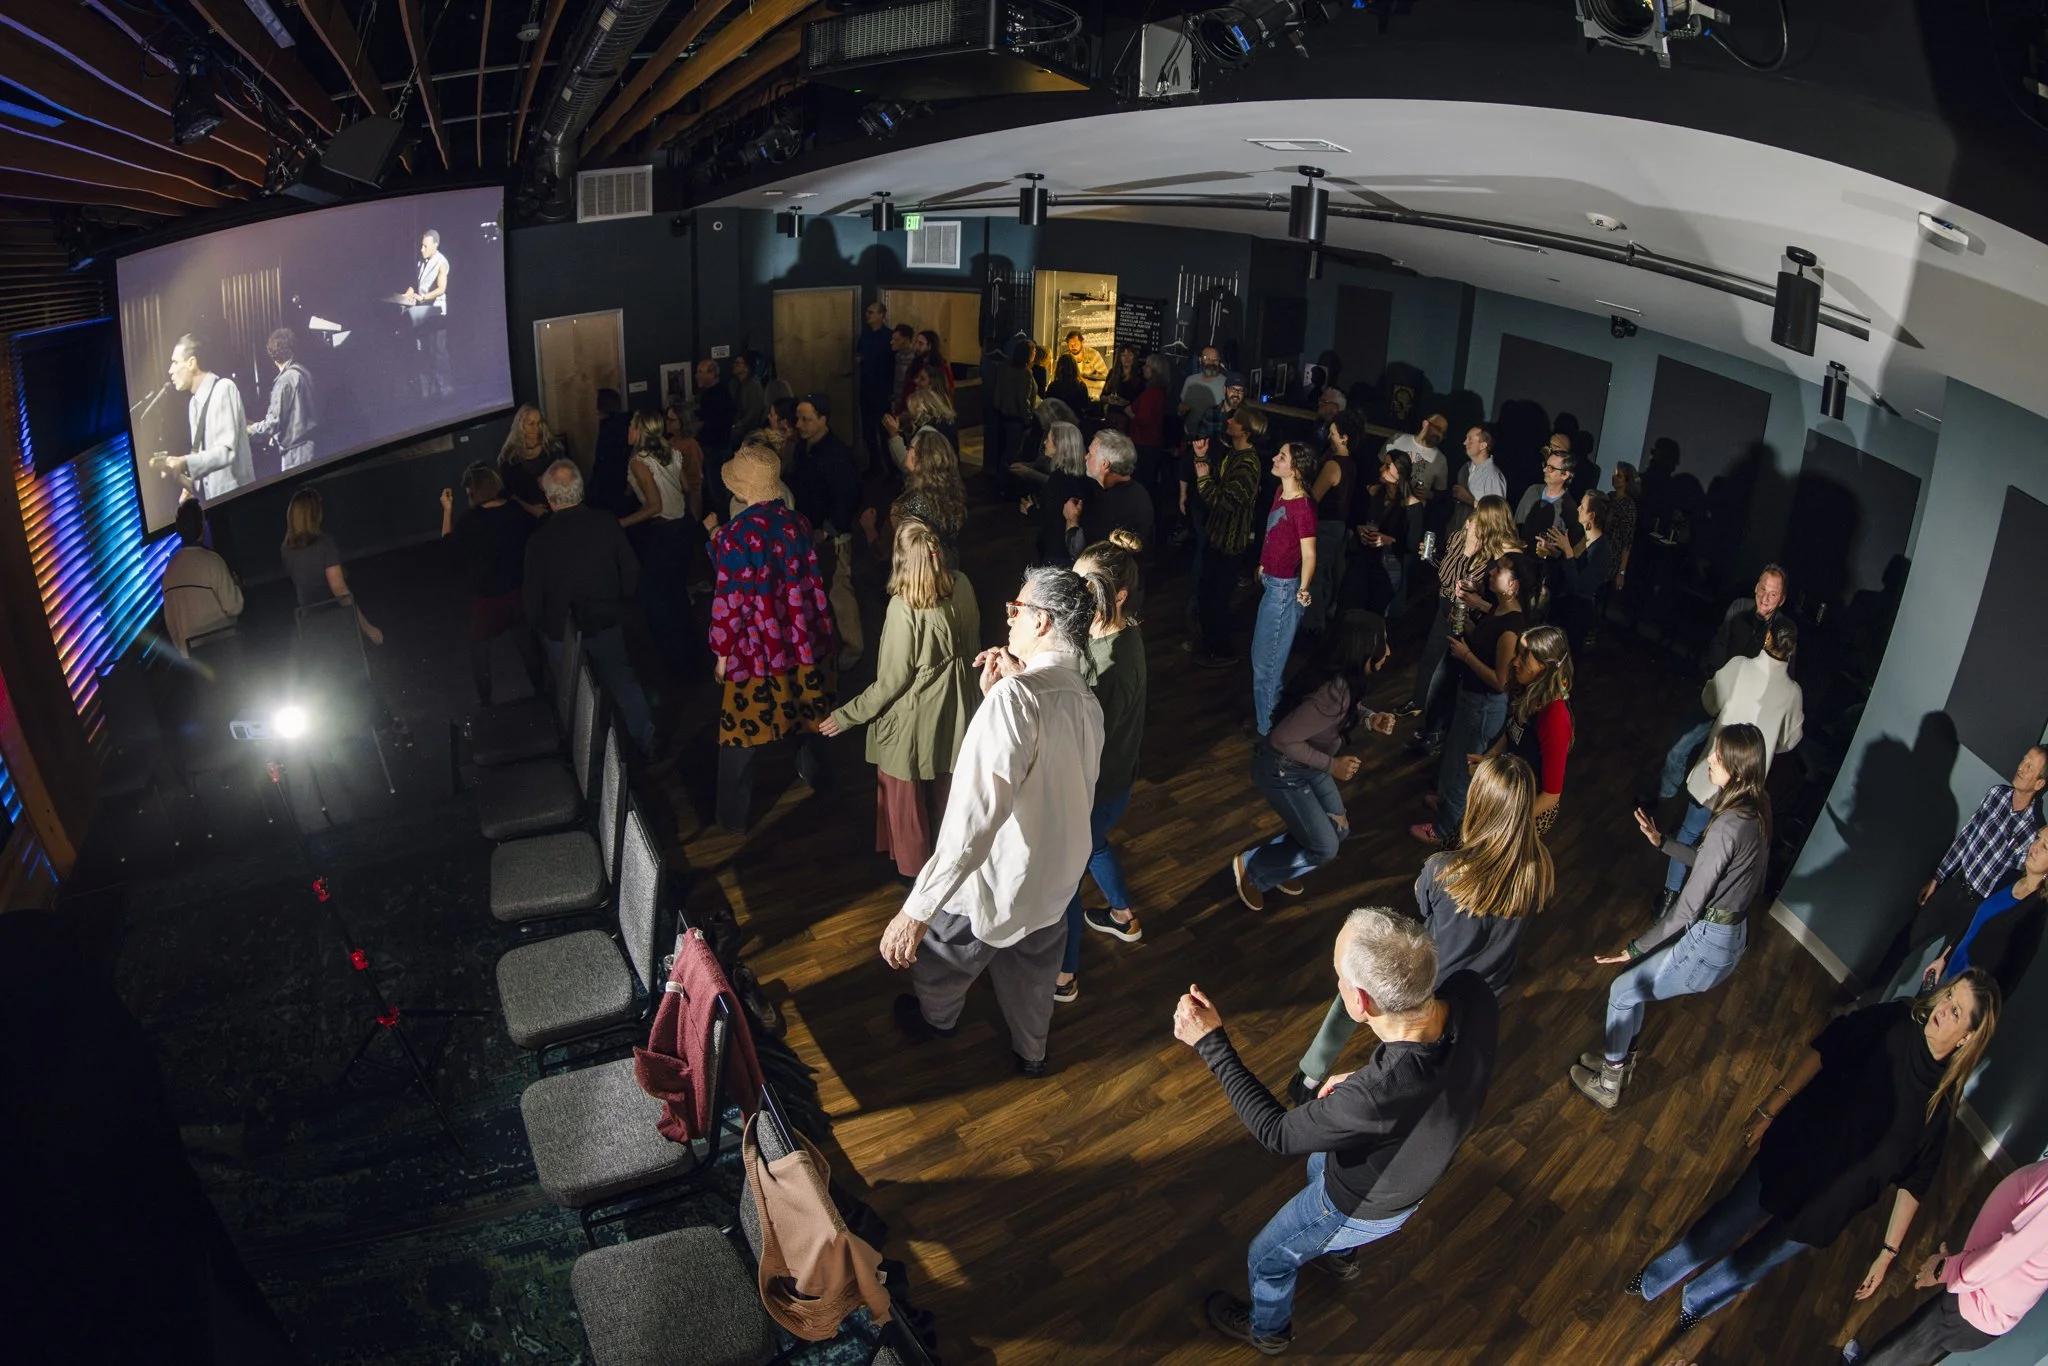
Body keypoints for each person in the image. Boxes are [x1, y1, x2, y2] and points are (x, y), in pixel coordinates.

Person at [1178, 907, 1499, 1354]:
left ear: (1360, 1002)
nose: (1337, 984)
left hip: (1361, 1203)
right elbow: (1420, 1075)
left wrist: (1210, 1042)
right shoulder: (1473, 992)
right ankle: (1341, 1257)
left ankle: (1269, 1332)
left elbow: (1276, 1132)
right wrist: (1367, 1083)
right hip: (1410, 1167)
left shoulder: (1375, 1097)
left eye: (1340, 978)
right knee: (1318, 1166)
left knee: (1267, 1258)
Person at [1625, 972, 1997, 1335]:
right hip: (1796, 1152)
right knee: (1723, 1224)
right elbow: (1824, 1049)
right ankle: (1656, 1278)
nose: (1944, 1008)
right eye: (1949, 996)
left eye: (1957, 1012)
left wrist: (1888, 1252)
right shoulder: (1892, 1022)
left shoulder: (1939, 1105)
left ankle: (1698, 1301)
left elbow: (1916, 1181)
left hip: (1830, 1205)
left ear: (1967, 1038)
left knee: (1755, 1263)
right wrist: (1769, 1109)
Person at [882, 566, 1104, 1078]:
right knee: (1032, 976)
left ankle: (938, 1022)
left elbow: (974, 820)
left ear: (1043, 621)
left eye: (1016, 609)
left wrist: (916, 909)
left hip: (996, 878)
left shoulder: (1018, 698)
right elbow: (1053, 779)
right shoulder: (1085, 701)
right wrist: (999, 694)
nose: (1010, 618)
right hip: (1057, 881)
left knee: (942, 960)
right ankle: (1033, 1054)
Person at [1292, 754, 1550, 1104]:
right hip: (1484, 995)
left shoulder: (1444, 869)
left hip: (1431, 981)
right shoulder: (1540, 870)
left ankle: (1310, 1074)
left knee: (1353, 986)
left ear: (1478, 805)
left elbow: (1425, 910)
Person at [1571, 723, 1772, 1110]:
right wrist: (1664, 843)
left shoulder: (1729, 824)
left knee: (1621, 990)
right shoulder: (1755, 809)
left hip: (1709, 943)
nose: (1710, 758)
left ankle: (1609, 1084)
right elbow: (1711, 866)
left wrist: (1632, 947)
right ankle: (1620, 1062)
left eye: (1719, 756)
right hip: (1726, 936)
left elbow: (1686, 909)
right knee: (1635, 990)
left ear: (1739, 771)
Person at [819, 519, 978, 881]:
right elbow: (972, 646)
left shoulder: (903, 608)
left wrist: (846, 716)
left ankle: (914, 876)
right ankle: (954, 864)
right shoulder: (963, 585)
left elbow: (891, 682)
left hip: (915, 716)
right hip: (957, 708)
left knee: (903, 799)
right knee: (949, 794)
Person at [1231, 610, 1398, 913]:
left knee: (1339, 830)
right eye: (1383, 643)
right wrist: (1333, 766)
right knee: (1325, 846)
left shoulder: (1342, 682)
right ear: (1362, 651)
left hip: (1306, 764)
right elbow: (1282, 739)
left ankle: (1279, 866)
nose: (1388, 651)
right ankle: (1255, 870)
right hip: (1283, 771)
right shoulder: (1333, 693)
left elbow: (1344, 710)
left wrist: (1370, 719)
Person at [708, 444, 838, 831]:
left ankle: (732, 817)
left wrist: (721, 654)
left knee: (740, 734)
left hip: (757, 651)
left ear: (741, 490)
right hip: (802, 638)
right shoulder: (797, 522)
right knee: (811, 715)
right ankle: (818, 779)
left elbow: (729, 602)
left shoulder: (735, 536)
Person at [1860, 747, 2046, 1003]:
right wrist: (1938, 878)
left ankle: (1907, 1025)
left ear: (2040, 782)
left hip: (1977, 908)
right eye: (2024, 759)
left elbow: (2008, 887)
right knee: (1904, 940)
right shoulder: (1996, 794)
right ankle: (1862, 1004)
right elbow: (1966, 837)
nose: (2021, 767)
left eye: (2030, 766)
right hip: (1956, 885)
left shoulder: (2034, 830)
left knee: (1938, 976)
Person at [1055, 534, 1149, 1003]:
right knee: (1094, 845)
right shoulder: (1117, 630)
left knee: (1065, 879)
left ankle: (1065, 977)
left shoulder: (1112, 663)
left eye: (1085, 587)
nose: (1076, 595)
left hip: (1098, 787)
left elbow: (1086, 735)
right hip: (1112, 785)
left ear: (1119, 595)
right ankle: (1123, 916)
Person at [1657, 616, 1803, 916]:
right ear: (1791, 650)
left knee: (1688, 833)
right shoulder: (1793, 693)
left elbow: (1709, 701)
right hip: (1745, 788)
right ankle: (1695, 910)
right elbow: (1789, 742)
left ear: (1766, 639)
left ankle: (1668, 900)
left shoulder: (1739, 667)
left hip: (1715, 772)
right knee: (1720, 854)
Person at [1845, 1154, 2048, 1366]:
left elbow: (2004, 1254)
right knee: (1905, 1354)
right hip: (1978, 1303)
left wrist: (1944, 1269)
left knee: (1896, 1353)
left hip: (1975, 1306)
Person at [522, 459, 658, 759]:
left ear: (550, 497)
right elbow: (632, 573)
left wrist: (541, 630)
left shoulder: (538, 542)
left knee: (575, 697)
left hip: (561, 631)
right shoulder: (606, 522)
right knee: (623, 683)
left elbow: (532, 601)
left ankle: (590, 757)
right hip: (607, 620)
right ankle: (646, 742)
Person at [1412, 550, 1533, 846]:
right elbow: (1484, 640)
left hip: (1483, 706)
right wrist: (1465, 624)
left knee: (1467, 767)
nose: (1491, 572)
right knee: (1453, 756)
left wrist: (1466, 656)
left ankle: (1444, 831)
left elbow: (1502, 682)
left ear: (1514, 584)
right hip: (1470, 700)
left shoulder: (1511, 628)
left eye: (1499, 570)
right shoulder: (1499, 610)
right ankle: (1445, 806)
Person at [1653, 565, 1793, 802]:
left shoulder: (1782, 632)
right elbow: (1719, 643)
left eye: (1772, 594)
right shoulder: (1739, 607)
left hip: (1742, 711)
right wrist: (1722, 678)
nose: (1764, 598)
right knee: (1678, 746)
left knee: (1723, 768)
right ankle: (1666, 796)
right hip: (1718, 694)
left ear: (1782, 599)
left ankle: (1699, 807)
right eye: (1762, 588)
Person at [1399, 496, 1522, 753]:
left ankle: (1435, 735)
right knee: (1439, 670)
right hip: (1463, 616)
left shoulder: (1506, 557)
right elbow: (1449, 575)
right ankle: (1433, 729)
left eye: (1480, 516)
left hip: (1479, 626)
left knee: (1446, 678)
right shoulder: (1482, 546)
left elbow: (1510, 610)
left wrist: (1476, 601)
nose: (1472, 521)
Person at [1893, 826, 2048, 1006]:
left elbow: (2013, 974)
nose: (2035, 846)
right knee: (1917, 1012)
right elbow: (1974, 922)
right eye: (2037, 838)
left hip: (1969, 992)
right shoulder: (2009, 877)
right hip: (1952, 967)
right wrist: (1944, 958)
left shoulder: (2036, 910)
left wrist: (1981, 1011)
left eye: (2045, 847)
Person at [439, 463, 545, 707]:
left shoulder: (470, 521)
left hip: (487, 601)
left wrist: (447, 511)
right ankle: (544, 697)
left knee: (479, 654)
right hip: (517, 593)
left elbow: (447, 550)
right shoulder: (515, 511)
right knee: (527, 648)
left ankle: (487, 706)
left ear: (474, 492)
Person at [617, 409, 701, 675]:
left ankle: (676, 664)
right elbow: (686, 488)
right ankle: (693, 657)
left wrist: (619, 524)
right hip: (683, 527)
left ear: (639, 431)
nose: (628, 430)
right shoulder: (671, 453)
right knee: (675, 593)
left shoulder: (639, 461)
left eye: (631, 426)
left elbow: (654, 507)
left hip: (666, 532)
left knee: (655, 599)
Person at [1471, 624, 1574, 835]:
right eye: (1518, 652)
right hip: (1508, 789)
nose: (1515, 662)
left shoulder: (1555, 719)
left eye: (1524, 657)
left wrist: (1508, 823)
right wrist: (1490, 760)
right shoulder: (1528, 689)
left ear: (1544, 668)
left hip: (1526, 810)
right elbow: (1513, 731)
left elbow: (1551, 795)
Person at [1250, 442, 1321, 737]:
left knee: (1267, 669)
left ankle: (1269, 734)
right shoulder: (1280, 493)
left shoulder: (1302, 506)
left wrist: (1303, 589)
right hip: (1271, 584)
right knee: (1260, 660)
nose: (1276, 459)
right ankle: (1267, 723)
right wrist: (1264, 564)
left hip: (1283, 593)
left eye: (1282, 457)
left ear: (1295, 469)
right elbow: (1276, 535)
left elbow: (1310, 554)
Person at [790, 394, 864, 668]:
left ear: (824, 420)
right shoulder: (804, 448)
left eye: (806, 419)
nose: (799, 424)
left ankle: (853, 647)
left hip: (833, 536)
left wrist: (828, 529)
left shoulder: (836, 454)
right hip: (811, 533)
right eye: (798, 418)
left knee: (840, 591)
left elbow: (849, 496)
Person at [1189, 419, 1265, 669]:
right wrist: (1201, 460)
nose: (1230, 421)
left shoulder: (1248, 464)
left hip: (1229, 542)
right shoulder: (1234, 455)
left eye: (1236, 419)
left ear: (1246, 430)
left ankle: (1221, 650)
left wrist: (1203, 478)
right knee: (1206, 593)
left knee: (1218, 598)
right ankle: (1210, 643)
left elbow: (1224, 502)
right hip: (1217, 537)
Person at [156, 334, 253, 502]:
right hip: (214, 503)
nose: (170, 370)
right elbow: (205, 462)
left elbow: (226, 453)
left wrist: (184, 462)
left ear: (191, 363)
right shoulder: (193, 403)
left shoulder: (224, 388)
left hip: (237, 501)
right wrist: (184, 481)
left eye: (175, 362)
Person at [280, 487, 383, 645]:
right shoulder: (325, 544)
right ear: (315, 514)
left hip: (308, 624)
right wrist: (367, 628)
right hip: (334, 621)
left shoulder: (286, 548)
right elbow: (340, 591)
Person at [160, 499, 242, 657]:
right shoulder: (213, 561)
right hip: (225, 651)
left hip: (193, 660)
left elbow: (172, 626)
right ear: (202, 525)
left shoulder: (169, 570)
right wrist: (235, 587)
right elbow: (234, 607)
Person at [1349, 445, 1424, 617]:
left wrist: (1388, 540)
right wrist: (1359, 528)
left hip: (1389, 565)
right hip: (1364, 557)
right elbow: (1355, 517)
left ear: (1400, 473)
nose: (1381, 469)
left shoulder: (1412, 505)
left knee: (1376, 614)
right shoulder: (1375, 492)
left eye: (1387, 466)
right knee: (1353, 606)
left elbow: (1413, 544)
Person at [1301, 409, 1357, 635]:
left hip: (1325, 526)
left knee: (1314, 575)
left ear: (1344, 437)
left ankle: (1312, 625)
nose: (1329, 436)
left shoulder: (1334, 465)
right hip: (1338, 527)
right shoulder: (1350, 463)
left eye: (1333, 433)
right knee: (1325, 575)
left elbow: (1314, 496)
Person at [884, 427, 968, 569]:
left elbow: (891, 550)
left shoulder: (907, 505)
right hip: (948, 569)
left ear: (917, 457)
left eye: (911, 447)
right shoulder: (951, 494)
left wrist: (870, 530)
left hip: (918, 575)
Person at [1545, 489, 1615, 644]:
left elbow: (1580, 587)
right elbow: (1574, 567)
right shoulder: (1584, 539)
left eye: (1582, 507)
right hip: (1564, 609)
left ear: (1591, 515)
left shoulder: (1602, 550)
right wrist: (1556, 553)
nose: (1578, 508)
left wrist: (1568, 551)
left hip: (1576, 616)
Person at [1074, 430, 1155, 563]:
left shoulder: (1107, 505)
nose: (1086, 457)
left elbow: (1080, 550)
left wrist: (1072, 520)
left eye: (1091, 454)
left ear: (1105, 464)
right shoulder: (1140, 492)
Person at [1022, 420, 1091, 567]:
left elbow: (1051, 519)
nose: (1045, 442)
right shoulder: (1084, 478)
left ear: (1060, 445)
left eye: (1049, 438)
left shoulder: (1058, 480)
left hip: (1057, 553)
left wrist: (1030, 509)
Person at [247, 327, 316, 473]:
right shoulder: (305, 372)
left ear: (272, 355)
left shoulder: (285, 380)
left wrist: (250, 430)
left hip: (296, 454)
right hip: (310, 448)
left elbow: (273, 423)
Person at [400, 229, 452, 399]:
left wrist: (423, 297)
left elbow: (441, 288)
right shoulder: (421, 262)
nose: (421, 249)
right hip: (422, 314)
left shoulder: (441, 262)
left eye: (425, 246)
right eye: (421, 245)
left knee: (437, 351)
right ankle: (427, 392)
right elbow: (415, 284)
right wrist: (407, 293)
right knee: (422, 350)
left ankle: (444, 388)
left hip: (436, 313)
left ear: (435, 245)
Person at [498, 404, 565, 516]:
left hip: (556, 511)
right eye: (531, 424)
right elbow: (508, 492)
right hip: (524, 515)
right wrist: (529, 508)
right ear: (520, 426)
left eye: (539, 423)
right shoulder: (509, 458)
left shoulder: (553, 449)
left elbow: (567, 481)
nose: (536, 428)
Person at [858, 299, 896, 471]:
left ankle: (891, 467)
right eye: (867, 312)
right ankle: (875, 465)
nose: (868, 315)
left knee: (884, 431)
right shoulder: (864, 334)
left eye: (871, 312)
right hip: (866, 389)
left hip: (882, 391)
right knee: (868, 431)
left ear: (881, 315)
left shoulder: (889, 337)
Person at [1447, 424, 1508, 532]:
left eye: (1470, 439)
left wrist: (1470, 500)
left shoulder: (1493, 475)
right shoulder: (1464, 469)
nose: (1465, 442)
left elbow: (1497, 514)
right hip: (1457, 536)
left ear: (1482, 445)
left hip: (1477, 537)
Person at [587, 389, 633, 514]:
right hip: (622, 486)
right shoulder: (625, 423)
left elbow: (603, 464)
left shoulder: (608, 429)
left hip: (610, 490)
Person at [1607, 462, 1640, 592]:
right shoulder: (1609, 497)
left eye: (1619, 476)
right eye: (1614, 475)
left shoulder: (1628, 506)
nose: (1614, 478)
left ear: (1627, 481)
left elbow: (1627, 541)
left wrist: (1621, 572)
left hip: (1612, 555)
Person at [693, 358, 734, 454]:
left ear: (712, 374)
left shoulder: (717, 396)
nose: (697, 376)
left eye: (700, 372)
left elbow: (711, 421)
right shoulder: (715, 392)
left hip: (714, 447)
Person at [1180, 345, 1227, 421]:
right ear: (1200, 360)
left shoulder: (1226, 383)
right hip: (1190, 430)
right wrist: (1182, 409)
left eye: (1215, 359)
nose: (1211, 363)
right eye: (1207, 359)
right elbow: (1183, 407)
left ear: (1219, 361)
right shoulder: (1190, 380)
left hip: (1214, 430)